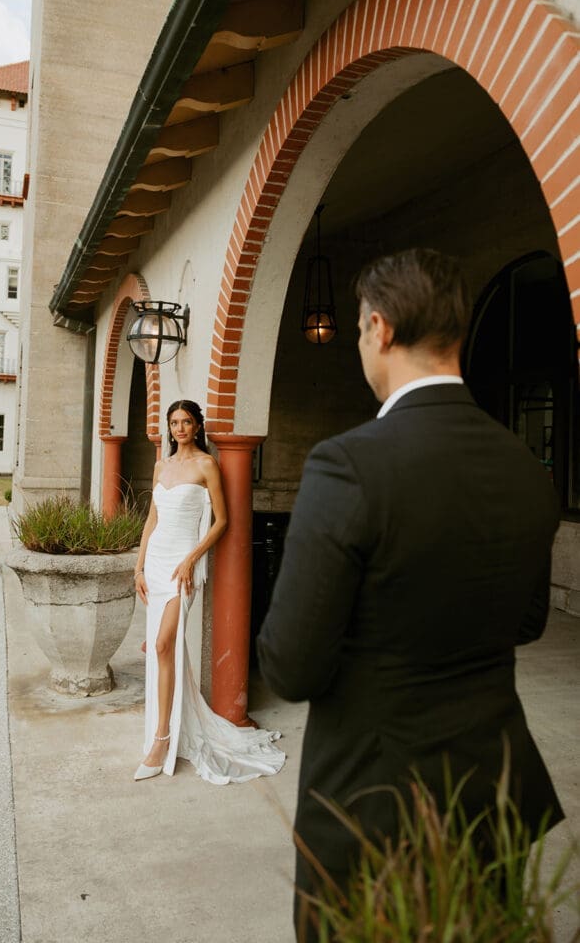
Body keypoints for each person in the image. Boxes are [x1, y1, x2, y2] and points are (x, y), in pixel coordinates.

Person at [256, 247, 563, 939]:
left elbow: (291, 665)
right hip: (491, 789)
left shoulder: (348, 463)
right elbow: (526, 619)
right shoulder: (525, 468)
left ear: (378, 328)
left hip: (374, 803)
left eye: (362, 333)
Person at [134, 399, 285, 784]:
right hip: (155, 562)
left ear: (198, 427)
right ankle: (165, 728)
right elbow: (153, 517)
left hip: (183, 567)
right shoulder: (161, 465)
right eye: (174, 422)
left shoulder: (206, 464)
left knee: (165, 644)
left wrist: (191, 558)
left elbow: (222, 521)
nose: (179, 428)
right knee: (160, 648)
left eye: (186, 422)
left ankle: (162, 740)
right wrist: (138, 565)